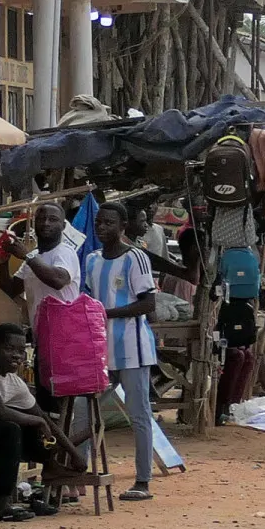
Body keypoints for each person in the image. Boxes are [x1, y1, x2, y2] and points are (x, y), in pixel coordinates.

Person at [0, 324, 77, 523]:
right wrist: (38, 421)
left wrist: (73, 453)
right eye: (9, 349)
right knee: (10, 428)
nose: (17, 356)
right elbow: (0, 412)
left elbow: (44, 418)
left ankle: (50, 465)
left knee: (25, 426)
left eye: (21, 351)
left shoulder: (13, 382)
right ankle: (1, 504)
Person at [83, 204, 160, 501]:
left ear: (122, 225)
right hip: (100, 350)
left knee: (139, 415)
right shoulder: (91, 260)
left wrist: (104, 313)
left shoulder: (135, 258)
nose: (102, 227)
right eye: (99, 222)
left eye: (108, 223)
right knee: (84, 412)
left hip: (132, 349)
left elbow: (147, 304)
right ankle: (79, 474)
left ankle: (143, 481)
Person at [0, 202, 80, 326]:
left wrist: (27, 256)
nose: (46, 223)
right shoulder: (34, 256)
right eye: (41, 219)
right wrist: (3, 262)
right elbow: (10, 290)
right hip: (42, 334)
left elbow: (58, 280)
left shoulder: (65, 252)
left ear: (63, 226)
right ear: (34, 223)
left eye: (53, 219)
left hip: (65, 335)